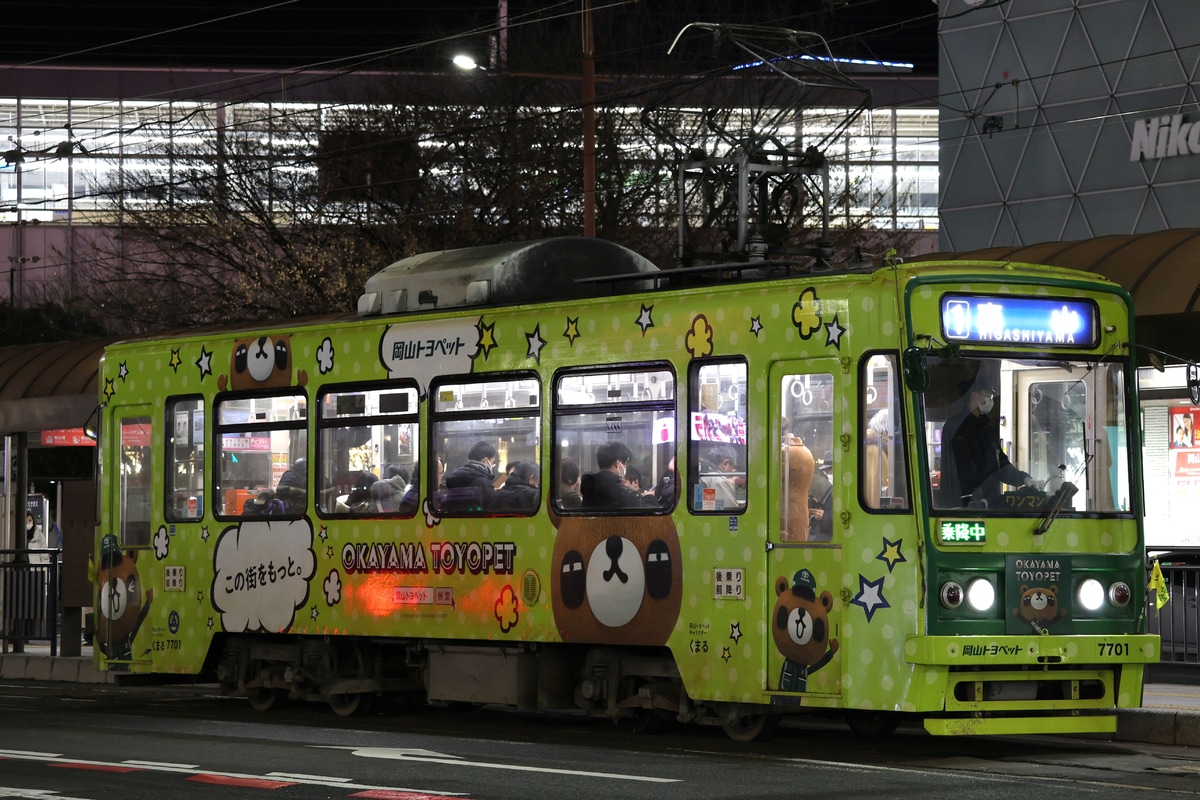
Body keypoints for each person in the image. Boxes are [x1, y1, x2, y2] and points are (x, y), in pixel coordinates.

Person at [943, 378, 1037, 507]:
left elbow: (1001, 465)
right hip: (965, 504)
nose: (990, 400)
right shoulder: (956, 427)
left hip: (989, 502)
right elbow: (957, 470)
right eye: (987, 395)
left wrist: (1024, 479)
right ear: (974, 396)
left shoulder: (987, 431)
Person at [580, 441, 646, 509]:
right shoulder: (624, 495)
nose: (625, 467)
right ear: (618, 463)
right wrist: (650, 498)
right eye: (625, 464)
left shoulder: (588, 487)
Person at [442, 440, 500, 511]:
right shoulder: (483, 482)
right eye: (492, 462)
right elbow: (493, 507)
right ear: (485, 461)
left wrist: (490, 490)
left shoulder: (457, 477)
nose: (492, 465)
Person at [699, 442, 746, 509]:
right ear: (725, 464)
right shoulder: (721, 482)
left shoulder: (700, 469)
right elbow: (732, 512)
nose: (734, 471)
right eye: (734, 467)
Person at [808, 452, 835, 542]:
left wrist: (825, 517)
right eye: (827, 470)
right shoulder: (826, 489)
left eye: (831, 469)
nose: (828, 473)